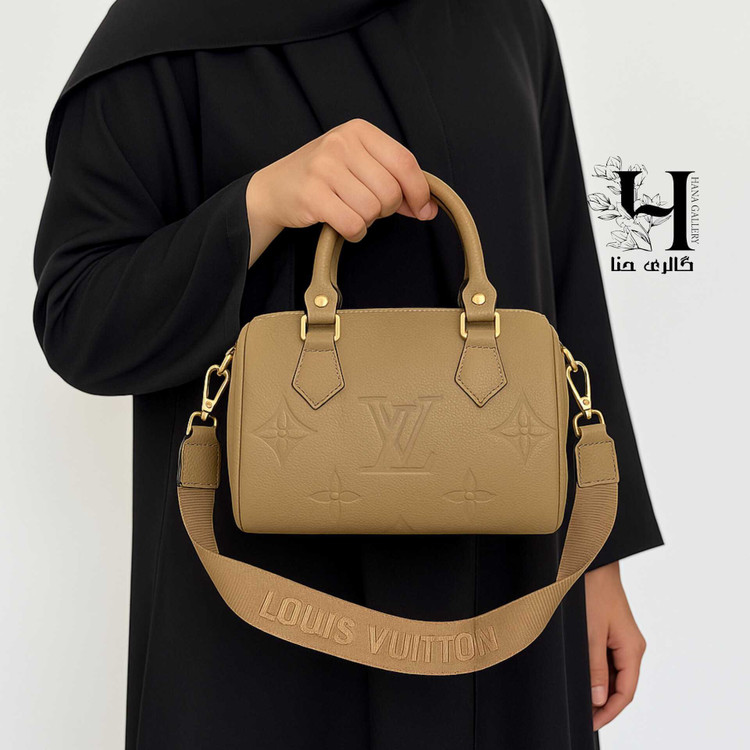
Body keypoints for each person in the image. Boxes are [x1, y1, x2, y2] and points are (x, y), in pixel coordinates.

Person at [32, 1, 663, 748]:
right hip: (262, 621)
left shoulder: (505, 15)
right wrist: (260, 206)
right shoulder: (169, 27)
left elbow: (563, 279)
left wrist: (598, 558)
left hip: (512, 586)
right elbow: (80, 316)